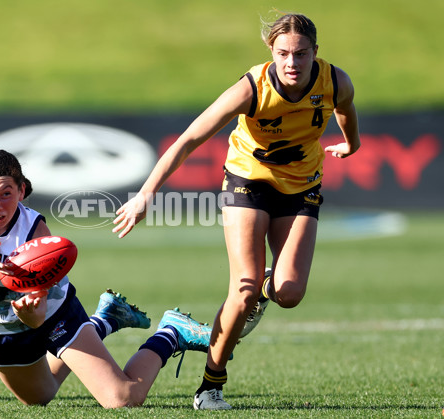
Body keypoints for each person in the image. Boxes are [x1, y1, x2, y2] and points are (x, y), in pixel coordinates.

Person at [112, 13, 361, 410]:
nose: (292, 63)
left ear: (316, 51)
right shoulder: (252, 88)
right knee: (242, 291)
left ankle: (269, 284)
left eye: (301, 54)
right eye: (283, 54)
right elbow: (190, 138)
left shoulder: (335, 81)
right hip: (249, 180)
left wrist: (352, 143)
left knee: (290, 293)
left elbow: (345, 107)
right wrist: (146, 194)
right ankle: (210, 386)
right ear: (271, 52)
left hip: (302, 186)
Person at [0, 149, 214, 408]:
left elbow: (37, 319)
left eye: (6, 193)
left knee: (123, 398)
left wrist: (29, 311)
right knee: (39, 397)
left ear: (21, 191)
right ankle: (105, 320)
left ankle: (171, 333)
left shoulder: (34, 230)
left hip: (54, 315)